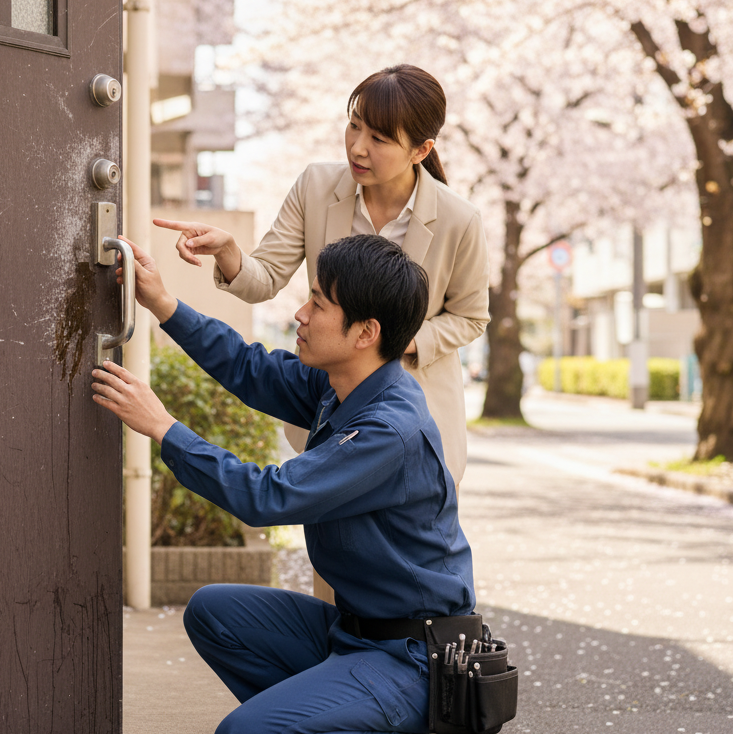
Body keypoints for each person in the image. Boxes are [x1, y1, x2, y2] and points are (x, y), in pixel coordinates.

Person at [91, 233, 492, 734]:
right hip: (355, 635)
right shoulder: (344, 385)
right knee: (215, 613)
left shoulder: (390, 429)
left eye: (319, 303)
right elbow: (251, 369)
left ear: (366, 332)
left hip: (412, 659)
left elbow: (268, 496)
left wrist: (164, 429)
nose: (300, 314)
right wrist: (164, 304)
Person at [154, 64, 490, 492]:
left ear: (421, 151)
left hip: (417, 417)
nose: (358, 148)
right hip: (330, 406)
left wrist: (393, 340)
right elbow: (266, 277)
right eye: (354, 126)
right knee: (329, 550)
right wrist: (229, 252)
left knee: (403, 550)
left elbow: (471, 317)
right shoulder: (315, 186)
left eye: (379, 139)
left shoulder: (459, 220)